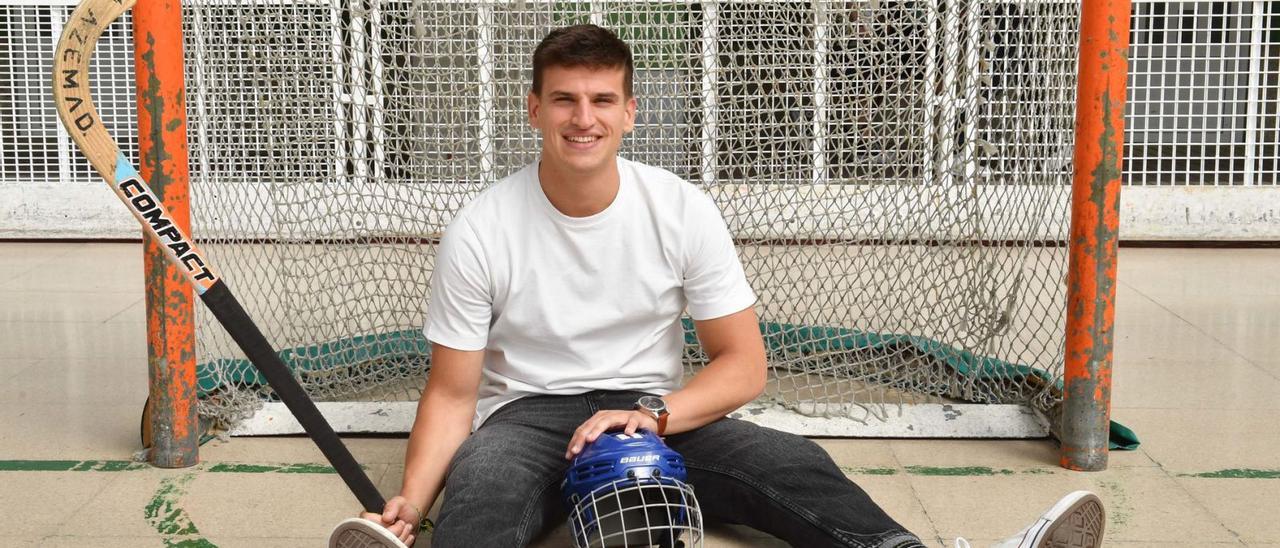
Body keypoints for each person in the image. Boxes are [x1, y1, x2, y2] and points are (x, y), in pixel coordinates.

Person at [334, 24, 1107, 548]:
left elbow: (743, 365)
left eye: (602, 100)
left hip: (650, 408)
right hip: (527, 417)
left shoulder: (678, 208)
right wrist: (413, 499)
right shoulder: (483, 226)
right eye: (564, 99)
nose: (583, 118)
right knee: (484, 490)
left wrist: (654, 414)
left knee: (792, 464)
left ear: (630, 113)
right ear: (534, 109)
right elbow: (451, 393)